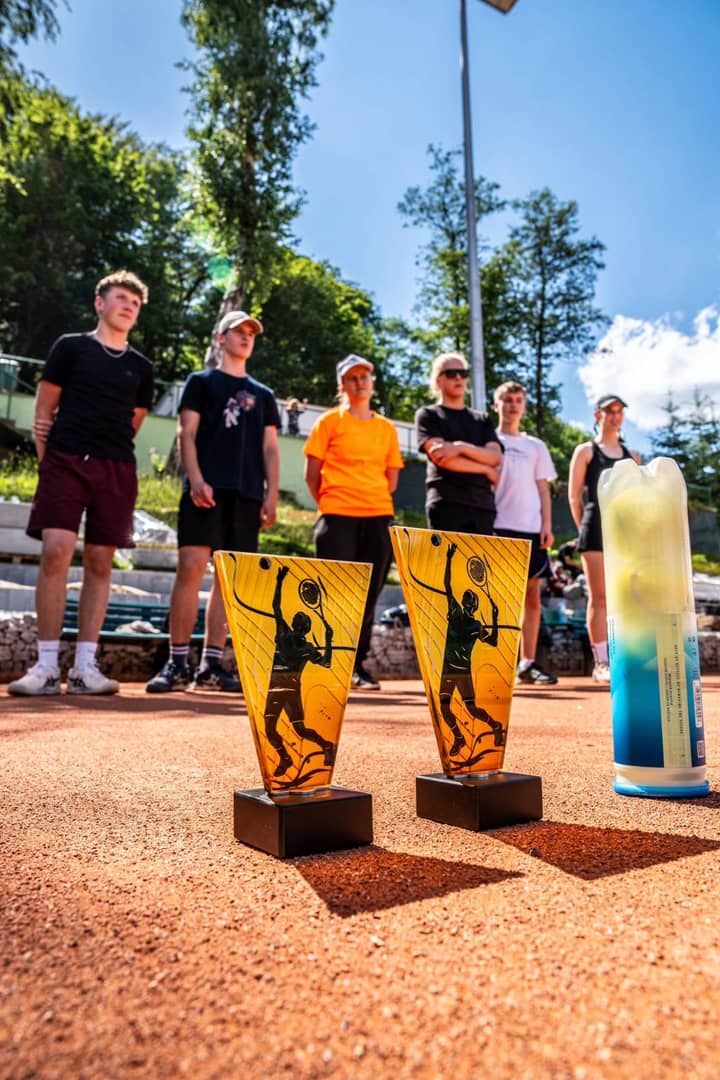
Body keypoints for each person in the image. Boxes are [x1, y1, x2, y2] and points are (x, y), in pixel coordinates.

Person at [9, 270, 152, 697]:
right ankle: (46, 666)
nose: (128, 306)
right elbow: (43, 413)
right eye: (121, 298)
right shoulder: (69, 347)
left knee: (101, 563)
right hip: (64, 462)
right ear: (99, 303)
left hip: (116, 469)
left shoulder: (141, 367)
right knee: (55, 552)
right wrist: (49, 463)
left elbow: (133, 424)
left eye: (135, 303)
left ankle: (85, 667)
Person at [146, 311, 280, 693]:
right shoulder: (200, 382)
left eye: (252, 332)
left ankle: (211, 666)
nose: (246, 337)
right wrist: (196, 479)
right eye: (238, 331)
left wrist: (271, 494)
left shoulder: (264, 394)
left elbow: (270, 448)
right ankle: (176, 663)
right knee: (190, 568)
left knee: (229, 579)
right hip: (205, 490)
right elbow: (185, 434)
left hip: (247, 495)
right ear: (220, 338)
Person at [304, 354, 404, 691]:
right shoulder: (328, 423)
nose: (359, 382)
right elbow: (312, 476)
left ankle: (356, 665)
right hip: (337, 517)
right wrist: (334, 503)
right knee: (333, 594)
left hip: (377, 517)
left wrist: (367, 498)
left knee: (368, 596)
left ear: (372, 383)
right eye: (352, 378)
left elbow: (392, 480)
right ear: (341, 385)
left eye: (364, 377)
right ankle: (329, 663)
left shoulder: (387, 429)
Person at [568, 394, 641, 682]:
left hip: (625, 534)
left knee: (628, 597)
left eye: (620, 410)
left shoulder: (633, 456)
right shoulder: (586, 451)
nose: (615, 415)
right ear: (597, 414)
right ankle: (601, 663)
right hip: (594, 529)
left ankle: (627, 657)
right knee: (599, 598)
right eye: (610, 410)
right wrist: (583, 530)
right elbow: (574, 496)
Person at [492, 380, 558, 687]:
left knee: (532, 598)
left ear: (524, 406)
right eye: (507, 400)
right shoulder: (489, 441)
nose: (513, 405)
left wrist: (547, 526)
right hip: (499, 528)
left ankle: (527, 663)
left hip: (531, 530)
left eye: (518, 400)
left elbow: (543, 489)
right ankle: (499, 664)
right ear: (497, 405)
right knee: (499, 599)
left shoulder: (536, 446)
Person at [415, 352, 502, 535]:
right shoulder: (428, 415)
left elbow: (495, 457)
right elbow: (442, 457)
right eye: (451, 373)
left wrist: (459, 447)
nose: (458, 378)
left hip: (482, 506)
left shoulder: (482, 419)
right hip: (447, 504)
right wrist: (485, 469)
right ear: (438, 380)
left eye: (463, 373)